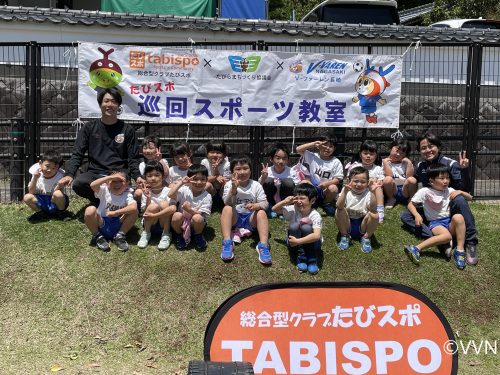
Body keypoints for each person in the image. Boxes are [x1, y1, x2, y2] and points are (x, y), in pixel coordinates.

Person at [400, 132, 478, 265]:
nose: (427, 150)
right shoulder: (421, 166)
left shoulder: (450, 163)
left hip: (449, 205)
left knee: (459, 198)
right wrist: (410, 181)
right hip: (432, 207)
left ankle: (470, 242)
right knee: (406, 216)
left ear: (438, 147)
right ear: (419, 151)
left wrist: (464, 170)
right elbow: (419, 181)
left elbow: (465, 189)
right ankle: (442, 240)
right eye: (423, 148)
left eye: (431, 146)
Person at [57, 88, 143, 205]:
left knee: (119, 183)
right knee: (79, 184)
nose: (109, 105)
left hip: (118, 173)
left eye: (113, 101)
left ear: (118, 105)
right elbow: (78, 153)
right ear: (100, 104)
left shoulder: (127, 129)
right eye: (106, 101)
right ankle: (100, 201)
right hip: (95, 173)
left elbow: (133, 157)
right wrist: (69, 174)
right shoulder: (89, 128)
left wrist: (137, 176)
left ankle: (119, 201)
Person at [404, 163, 472, 270]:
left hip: (449, 222)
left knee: (458, 217)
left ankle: (459, 251)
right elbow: (410, 205)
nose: (446, 181)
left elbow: (470, 198)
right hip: (436, 223)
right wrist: (417, 215)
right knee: (447, 236)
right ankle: (415, 248)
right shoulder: (425, 191)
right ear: (431, 181)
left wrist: (461, 192)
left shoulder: (449, 190)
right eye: (442, 178)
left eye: (447, 178)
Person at [220, 155, 272, 265]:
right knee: (227, 209)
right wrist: (233, 189)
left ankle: (263, 245)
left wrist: (256, 206)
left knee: (261, 212)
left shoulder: (256, 185)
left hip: (250, 219)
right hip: (235, 218)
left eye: (245, 168)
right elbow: (227, 202)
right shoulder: (229, 184)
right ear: (231, 172)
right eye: (238, 169)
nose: (242, 172)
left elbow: (265, 204)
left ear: (250, 170)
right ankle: (227, 242)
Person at [272, 183, 322, 274]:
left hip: (312, 244)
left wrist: (298, 241)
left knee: (306, 227)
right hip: (295, 243)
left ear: (312, 200)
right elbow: (274, 209)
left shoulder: (315, 215)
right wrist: (285, 202)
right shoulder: (294, 209)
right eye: (297, 198)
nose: (298, 201)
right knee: (294, 226)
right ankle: (301, 257)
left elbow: (317, 236)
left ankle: (312, 259)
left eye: (302, 198)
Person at [84, 170, 138, 252]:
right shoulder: (104, 191)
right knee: (90, 209)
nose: (117, 184)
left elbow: (133, 207)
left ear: (127, 184)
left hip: (118, 223)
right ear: (108, 183)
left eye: (121, 181)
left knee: (135, 211)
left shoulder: (127, 194)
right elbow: (92, 185)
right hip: (101, 223)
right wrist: (109, 177)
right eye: (114, 181)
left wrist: (116, 212)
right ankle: (98, 236)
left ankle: (120, 236)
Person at [335, 166, 381, 253]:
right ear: (349, 181)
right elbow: (339, 205)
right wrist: (344, 192)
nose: (359, 184)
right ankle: (344, 236)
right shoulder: (346, 191)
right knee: (339, 210)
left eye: (363, 182)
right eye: (356, 181)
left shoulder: (368, 193)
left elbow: (373, 208)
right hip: (347, 224)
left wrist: (373, 192)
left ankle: (366, 237)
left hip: (362, 225)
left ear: (368, 183)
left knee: (374, 214)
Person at [295, 134, 343, 215]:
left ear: (334, 149)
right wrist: (313, 144)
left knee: (333, 188)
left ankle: (326, 204)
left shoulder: (336, 161)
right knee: (304, 183)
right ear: (319, 146)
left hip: (325, 190)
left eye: (331, 146)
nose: (327, 148)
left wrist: (327, 183)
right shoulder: (312, 156)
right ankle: (310, 203)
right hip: (313, 188)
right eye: (324, 145)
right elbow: (298, 149)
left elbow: (338, 179)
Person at [168, 164, 212, 250]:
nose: (199, 182)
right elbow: (170, 195)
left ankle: (198, 235)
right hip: (182, 222)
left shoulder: (207, 196)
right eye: (195, 179)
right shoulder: (185, 189)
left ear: (207, 180)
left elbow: (202, 213)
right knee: (176, 215)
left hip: (197, 224)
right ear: (189, 180)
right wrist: (181, 182)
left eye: (202, 179)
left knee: (198, 218)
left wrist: (189, 210)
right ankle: (179, 235)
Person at [136, 161, 176, 251]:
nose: (153, 178)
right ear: (145, 178)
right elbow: (145, 212)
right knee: (152, 206)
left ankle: (166, 234)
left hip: (164, 223)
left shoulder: (168, 191)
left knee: (164, 204)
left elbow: (173, 208)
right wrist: (148, 198)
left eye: (157, 175)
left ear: (162, 176)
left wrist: (155, 215)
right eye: (149, 176)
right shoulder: (145, 192)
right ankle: (146, 233)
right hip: (150, 224)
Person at [23, 149, 70, 222]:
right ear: (40, 163)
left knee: (58, 193)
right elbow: (31, 192)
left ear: (57, 167)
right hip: (41, 201)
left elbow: (56, 192)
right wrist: (35, 178)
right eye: (47, 166)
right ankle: (41, 213)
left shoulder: (60, 176)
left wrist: (59, 185)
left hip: (54, 202)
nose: (49, 170)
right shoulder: (36, 174)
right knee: (27, 197)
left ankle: (60, 213)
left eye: (53, 168)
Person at [345, 140, 385, 222]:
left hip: (371, 192)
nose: (368, 156)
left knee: (378, 188)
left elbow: (380, 183)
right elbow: (349, 180)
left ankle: (380, 210)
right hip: (356, 189)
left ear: (376, 156)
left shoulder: (377, 168)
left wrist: (373, 183)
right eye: (365, 153)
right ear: (360, 154)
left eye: (371, 154)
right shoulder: (355, 166)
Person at [259, 142, 296, 218]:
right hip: (270, 199)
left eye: (284, 158)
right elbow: (258, 187)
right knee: (268, 180)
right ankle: (269, 207)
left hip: (285, 200)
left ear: (288, 160)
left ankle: (284, 209)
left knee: (288, 182)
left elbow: (297, 187)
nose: (281, 161)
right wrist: (263, 178)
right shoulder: (267, 171)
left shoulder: (291, 171)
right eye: (278, 158)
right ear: (271, 159)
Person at [134, 135, 170, 208]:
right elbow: (145, 180)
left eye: (151, 148)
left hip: (161, 188)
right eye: (145, 148)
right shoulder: (142, 164)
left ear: (158, 149)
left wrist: (160, 160)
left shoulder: (163, 161)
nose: (147, 151)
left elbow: (165, 174)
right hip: (149, 188)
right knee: (137, 192)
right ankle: (140, 208)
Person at [382, 138, 417, 208]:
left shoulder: (406, 163)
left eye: (402, 153)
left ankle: (411, 199)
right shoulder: (385, 161)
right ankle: (391, 199)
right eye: (397, 151)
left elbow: (409, 176)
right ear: (390, 149)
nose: (398, 154)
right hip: (392, 189)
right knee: (387, 179)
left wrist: (409, 163)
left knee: (412, 179)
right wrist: (385, 163)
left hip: (405, 189)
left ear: (405, 154)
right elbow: (390, 175)